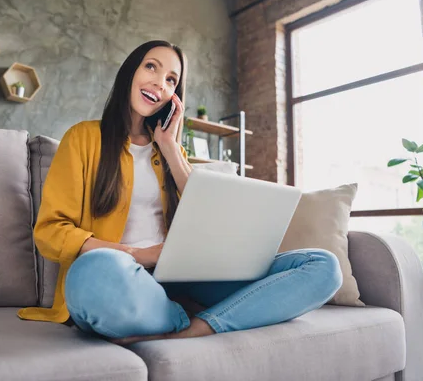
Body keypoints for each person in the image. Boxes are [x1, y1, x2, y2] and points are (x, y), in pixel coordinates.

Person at [17, 40, 343, 345]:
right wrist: (140, 255)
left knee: (322, 266)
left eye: (172, 80)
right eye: (151, 67)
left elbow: (206, 219)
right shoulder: (83, 138)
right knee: (91, 273)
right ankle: (180, 315)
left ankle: (198, 327)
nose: (161, 83)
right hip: (122, 276)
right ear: (130, 72)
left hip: (185, 276)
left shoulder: (171, 153)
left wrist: (171, 147)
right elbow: (50, 232)